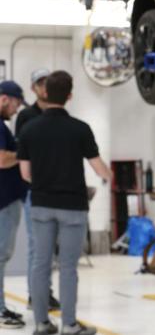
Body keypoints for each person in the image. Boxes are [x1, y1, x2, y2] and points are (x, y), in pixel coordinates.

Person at [17, 71, 112, 335]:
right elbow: (98, 167)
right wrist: (108, 177)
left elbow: (25, 174)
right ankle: (69, 325)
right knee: (69, 267)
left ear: (44, 93)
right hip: (73, 207)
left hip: (41, 205)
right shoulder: (80, 129)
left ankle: (41, 323)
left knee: (40, 264)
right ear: (69, 96)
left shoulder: (29, 129)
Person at [15, 68, 61, 311]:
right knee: (37, 245)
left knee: (50, 245)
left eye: (48, 83)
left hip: (57, 189)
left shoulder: (59, 113)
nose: (45, 87)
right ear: (33, 88)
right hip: (35, 189)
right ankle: (36, 295)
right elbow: (24, 153)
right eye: (40, 83)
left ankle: (46, 292)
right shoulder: (26, 116)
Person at [0, 81, 29, 329]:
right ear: (4, 99)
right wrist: (25, 153)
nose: (16, 110)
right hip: (4, 202)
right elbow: (1, 159)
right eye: (16, 104)